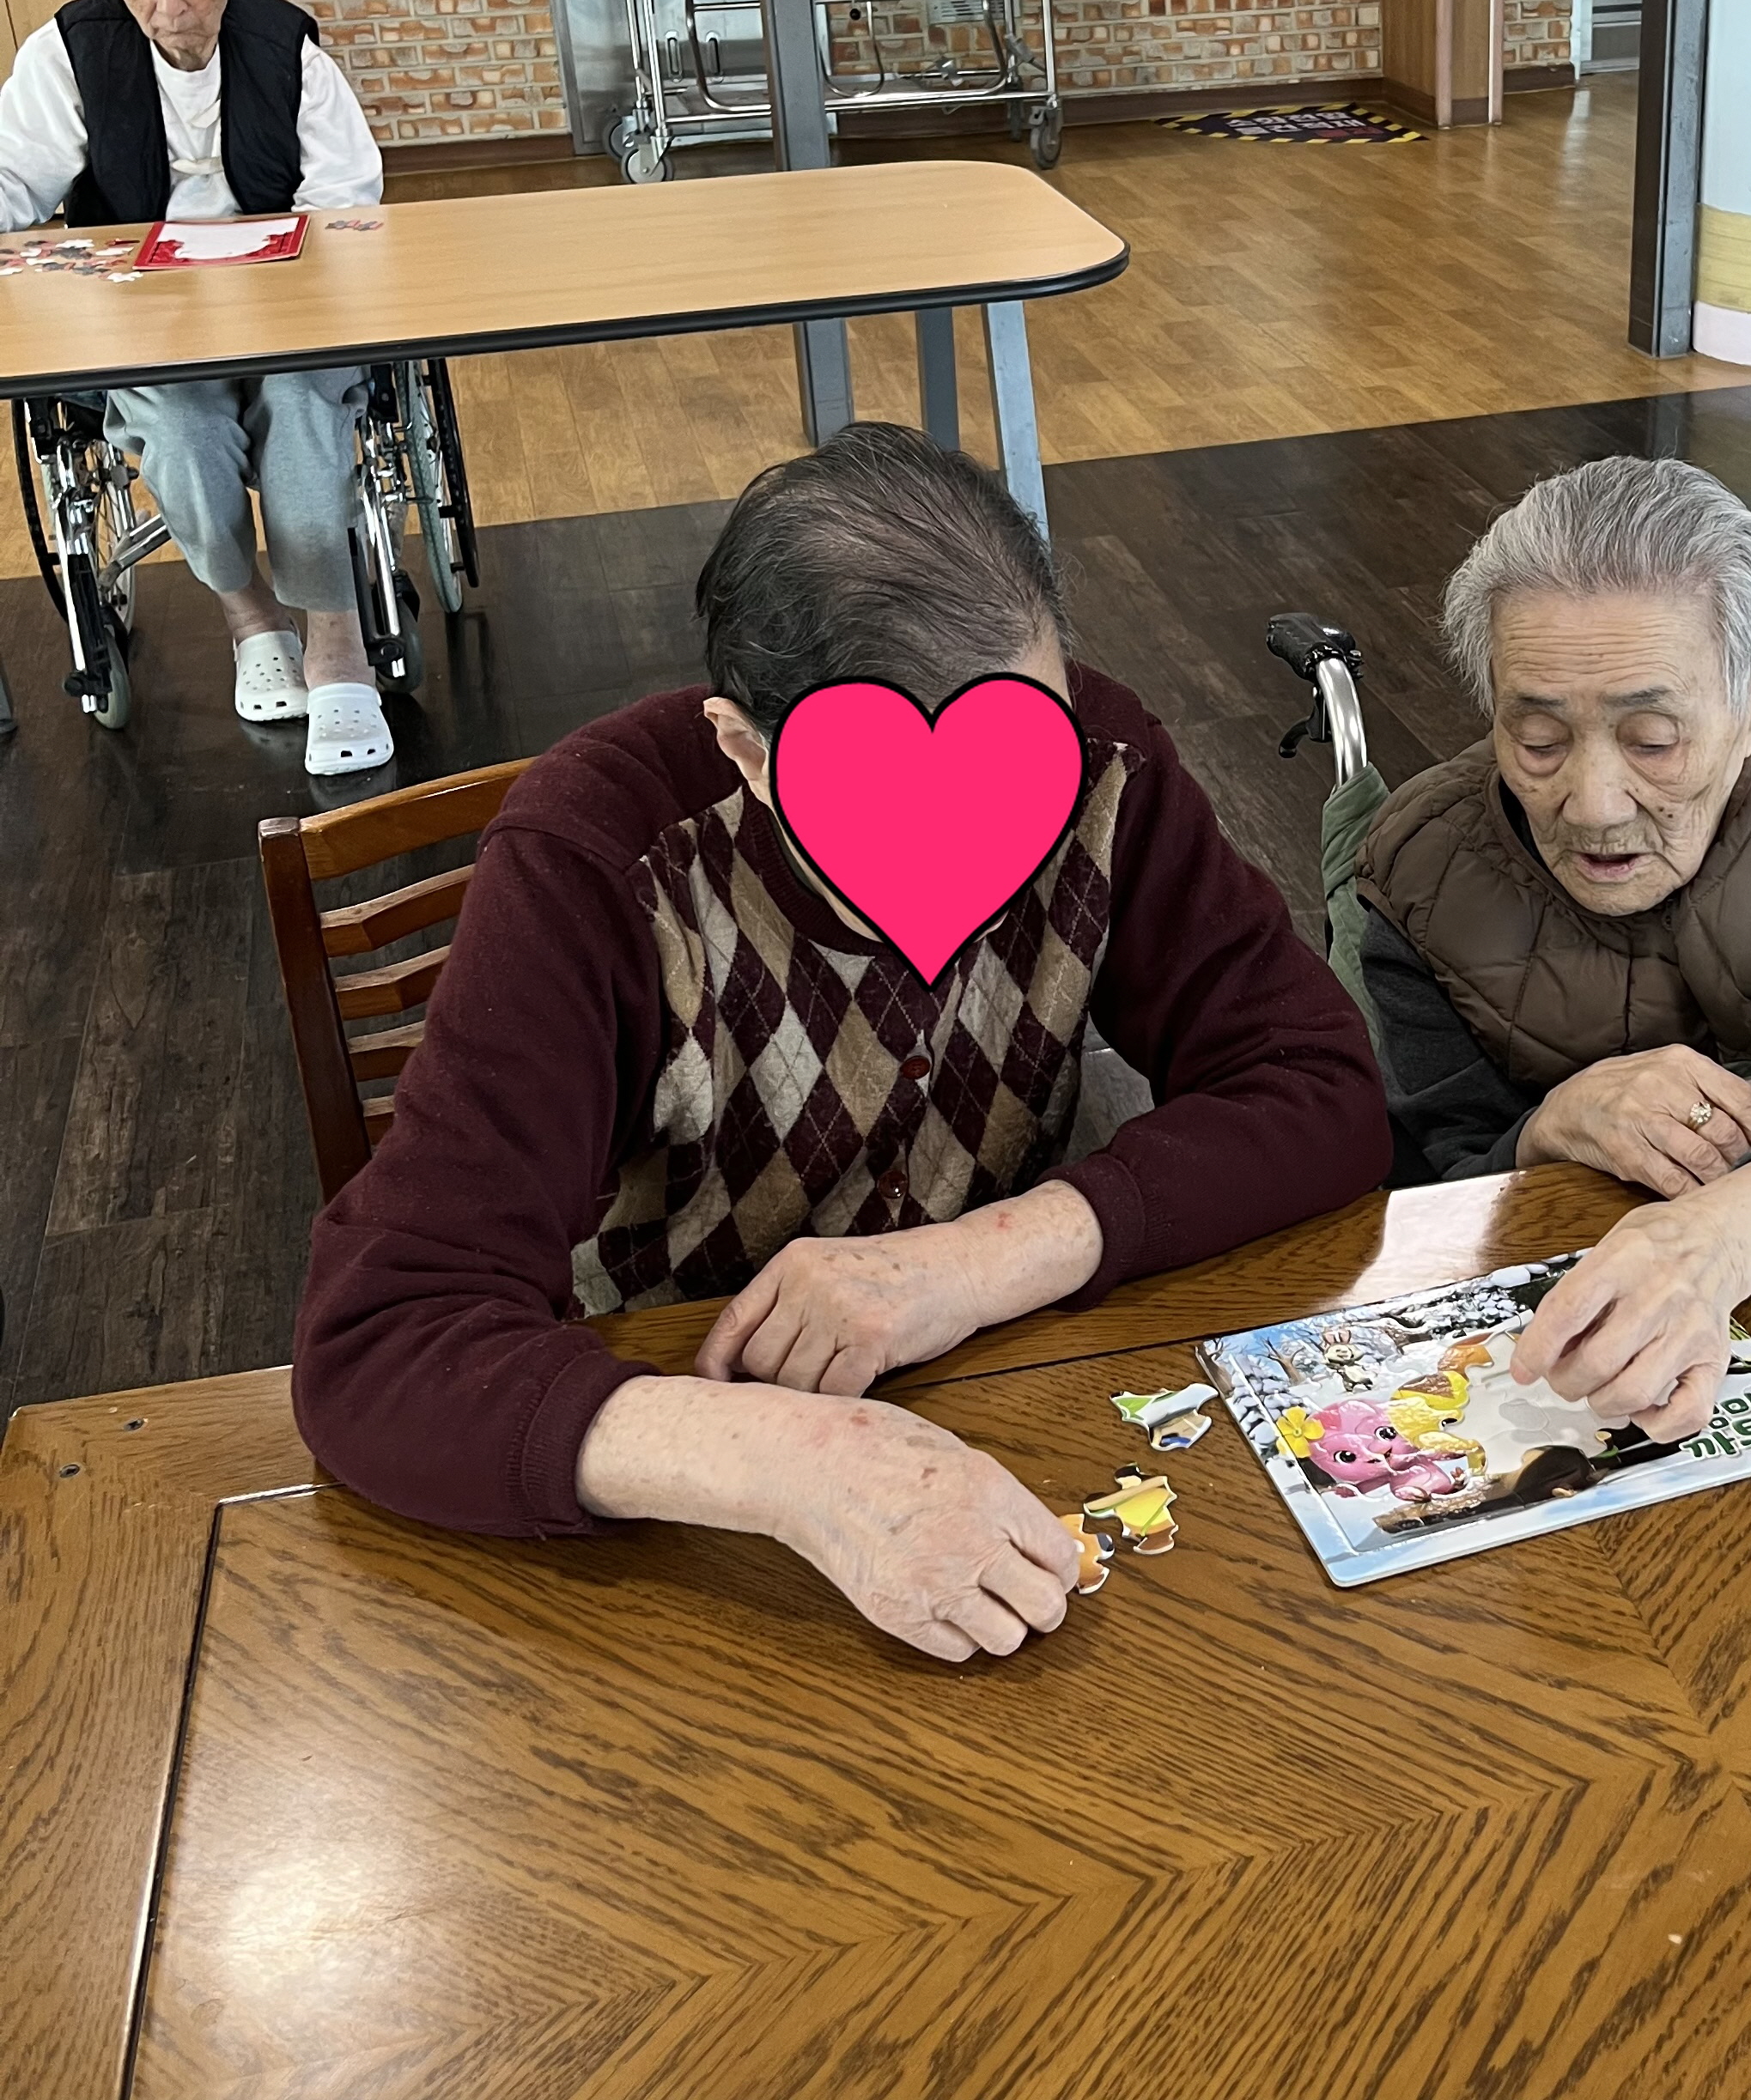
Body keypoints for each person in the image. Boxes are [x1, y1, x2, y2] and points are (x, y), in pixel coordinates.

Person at [295, 422, 1393, 1662]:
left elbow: (1318, 1082)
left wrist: (964, 1266)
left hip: (1001, 1374)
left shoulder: (1103, 762)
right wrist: (804, 1462)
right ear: (745, 749)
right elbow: (382, 1341)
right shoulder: (597, 857)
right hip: (685, 1465)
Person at [1356, 454, 1751, 1444]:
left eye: (1653, 738)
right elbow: (1429, 1198)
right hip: (1563, 1358)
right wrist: (1546, 1127)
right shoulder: (1418, 878)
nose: (1593, 805)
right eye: (1538, 740)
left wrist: (1717, 1240)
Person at [0, 0, 393, 774]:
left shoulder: (287, 47)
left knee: (302, 408)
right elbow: (12, 181)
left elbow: (347, 199)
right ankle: (252, 618)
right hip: (149, 320)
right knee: (180, 428)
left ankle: (338, 646)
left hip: (291, 304)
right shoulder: (68, 54)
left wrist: (291, 281)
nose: (168, 3)